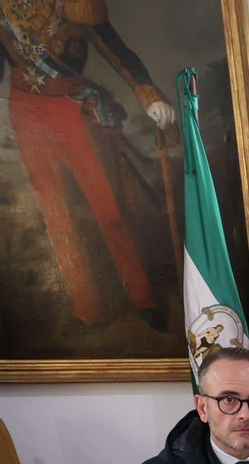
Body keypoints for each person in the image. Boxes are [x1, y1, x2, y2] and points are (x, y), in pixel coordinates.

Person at [0, 0, 176, 326]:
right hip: (26, 110)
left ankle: (143, 298)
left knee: (108, 209)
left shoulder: (75, 3)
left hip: (72, 107)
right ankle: (86, 309)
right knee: (56, 215)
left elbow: (114, 49)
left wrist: (147, 93)